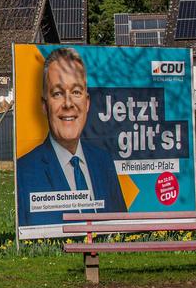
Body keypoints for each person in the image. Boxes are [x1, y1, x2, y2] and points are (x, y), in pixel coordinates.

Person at [16, 47, 126, 227]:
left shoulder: (103, 161)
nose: (68, 104)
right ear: (44, 105)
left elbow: (122, 231)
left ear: (87, 102)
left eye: (76, 92)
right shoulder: (24, 171)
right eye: (58, 93)